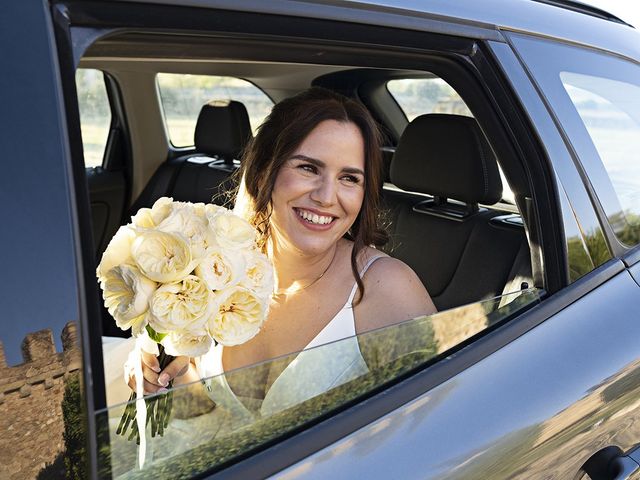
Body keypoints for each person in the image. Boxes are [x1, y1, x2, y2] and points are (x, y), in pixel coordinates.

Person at [130, 87, 436, 409]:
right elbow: (200, 408)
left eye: (349, 178)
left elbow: (439, 425)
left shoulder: (387, 289)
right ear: (264, 173)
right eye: (308, 168)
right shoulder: (213, 267)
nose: (327, 196)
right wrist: (157, 371)